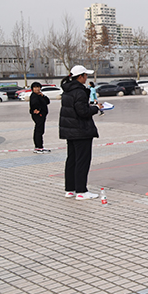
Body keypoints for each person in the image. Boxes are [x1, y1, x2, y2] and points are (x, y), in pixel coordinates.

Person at [59, 65, 103, 200]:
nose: (86, 78)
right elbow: (82, 112)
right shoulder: (79, 91)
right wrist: (96, 108)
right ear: (80, 77)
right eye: (85, 76)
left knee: (71, 160)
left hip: (70, 130)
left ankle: (70, 189)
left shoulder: (67, 90)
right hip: (81, 130)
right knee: (82, 161)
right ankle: (81, 191)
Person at [29, 82, 51, 153]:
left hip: (42, 114)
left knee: (40, 130)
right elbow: (34, 104)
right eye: (35, 87)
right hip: (39, 115)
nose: (37, 89)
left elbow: (47, 101)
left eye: (38, 87)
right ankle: (38, 147)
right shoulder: (34, 96)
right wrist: (37, 109)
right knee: (38, 131)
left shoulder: (39, 95)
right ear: (32, 89)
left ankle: (40, 146)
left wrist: (43, 96)